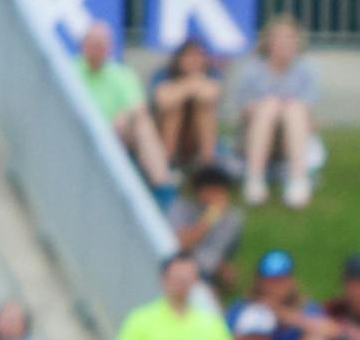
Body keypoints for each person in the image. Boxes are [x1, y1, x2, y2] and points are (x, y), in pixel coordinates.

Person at [74, 23, 173, 197]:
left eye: (102, 44)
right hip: (78, 130)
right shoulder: (69, 70)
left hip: (117, 133)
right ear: (84, 46)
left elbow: (138, 108)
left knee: (143, 125)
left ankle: (161, 185)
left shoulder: (122, 74)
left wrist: (122, 119)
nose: (98, 49)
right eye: (94, 44)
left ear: (110, 48)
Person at [236, 15, 322, 209]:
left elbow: (309, 115)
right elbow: (245, 113)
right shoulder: (252, 70)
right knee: (268, 106)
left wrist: (286, 109)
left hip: (292, 135)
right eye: (279, 38)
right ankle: (255, 179)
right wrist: (271, 107)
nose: (285, 43)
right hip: (256, 134)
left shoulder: (308, 70)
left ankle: (298, 181)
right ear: (268, 42)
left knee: (294, 109)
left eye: (290, 38)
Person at [165, 164, 246, 297]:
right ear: (199, 191)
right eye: (212, 190)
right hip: (183, 268)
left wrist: (224, 270)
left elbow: (223, 252)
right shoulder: (181, 208)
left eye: (221, 190)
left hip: (210, 273)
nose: (218, 196)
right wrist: (210, 217)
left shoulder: (234, 218)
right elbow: (182, 244)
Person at [150, 37, 223, 169]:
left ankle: (207, 164)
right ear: (179, 59)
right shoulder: (163, 75)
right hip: (164, 134)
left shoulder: (213, 75)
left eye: (200, 56)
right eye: (190, 56)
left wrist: (181, 89)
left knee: (204, 107)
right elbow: (163, 101)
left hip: (194, 137)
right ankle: (167, 164)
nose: (195, 60)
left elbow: (211, 95)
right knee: (174, 109)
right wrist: (191, 84)